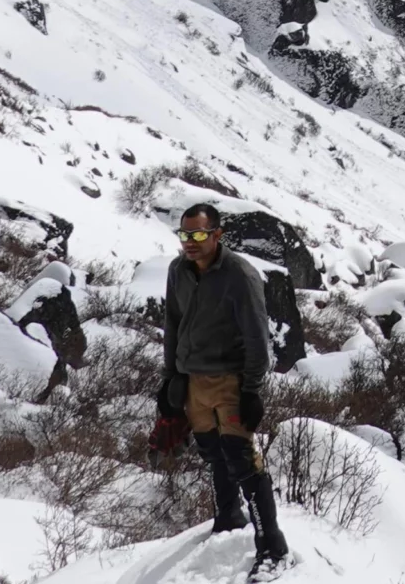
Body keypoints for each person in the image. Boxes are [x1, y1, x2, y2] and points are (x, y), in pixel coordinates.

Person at [152, 202, 288, 565]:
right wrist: (170, 380)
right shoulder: (178, 270)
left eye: (198, 235)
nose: (190, 243)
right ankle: (227, 518)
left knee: (241, 459)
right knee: (212, 453)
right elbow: (173, 325)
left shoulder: (240, 275)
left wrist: (251, 390)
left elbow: (258, 337)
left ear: (217, 234)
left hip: (230, 379)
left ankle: (271, 545)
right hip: (193, 380)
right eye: (185, 235)